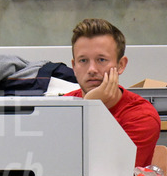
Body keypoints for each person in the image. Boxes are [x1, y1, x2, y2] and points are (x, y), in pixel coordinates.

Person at [66, 18, 160, 168]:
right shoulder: (61, 107)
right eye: (83, 60)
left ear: (121, 65)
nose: (91, 69)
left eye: (101, 59)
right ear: (74, 66)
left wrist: (90, 108)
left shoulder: (141, 116)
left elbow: (109, 172)